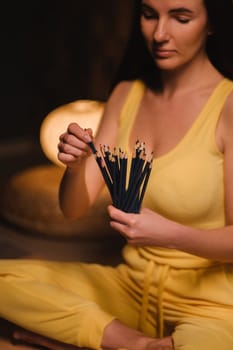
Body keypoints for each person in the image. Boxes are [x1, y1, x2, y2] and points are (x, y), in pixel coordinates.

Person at [1, 0, 233, 349]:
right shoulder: (127, 94)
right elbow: (73, 209)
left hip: (211, 305)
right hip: (130, 287)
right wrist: (76, 167)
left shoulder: (228, 106)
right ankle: (127, 342)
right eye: (149, 14)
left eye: (181, 18)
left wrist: (169, 235)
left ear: (211, 23)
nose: (159, 34)